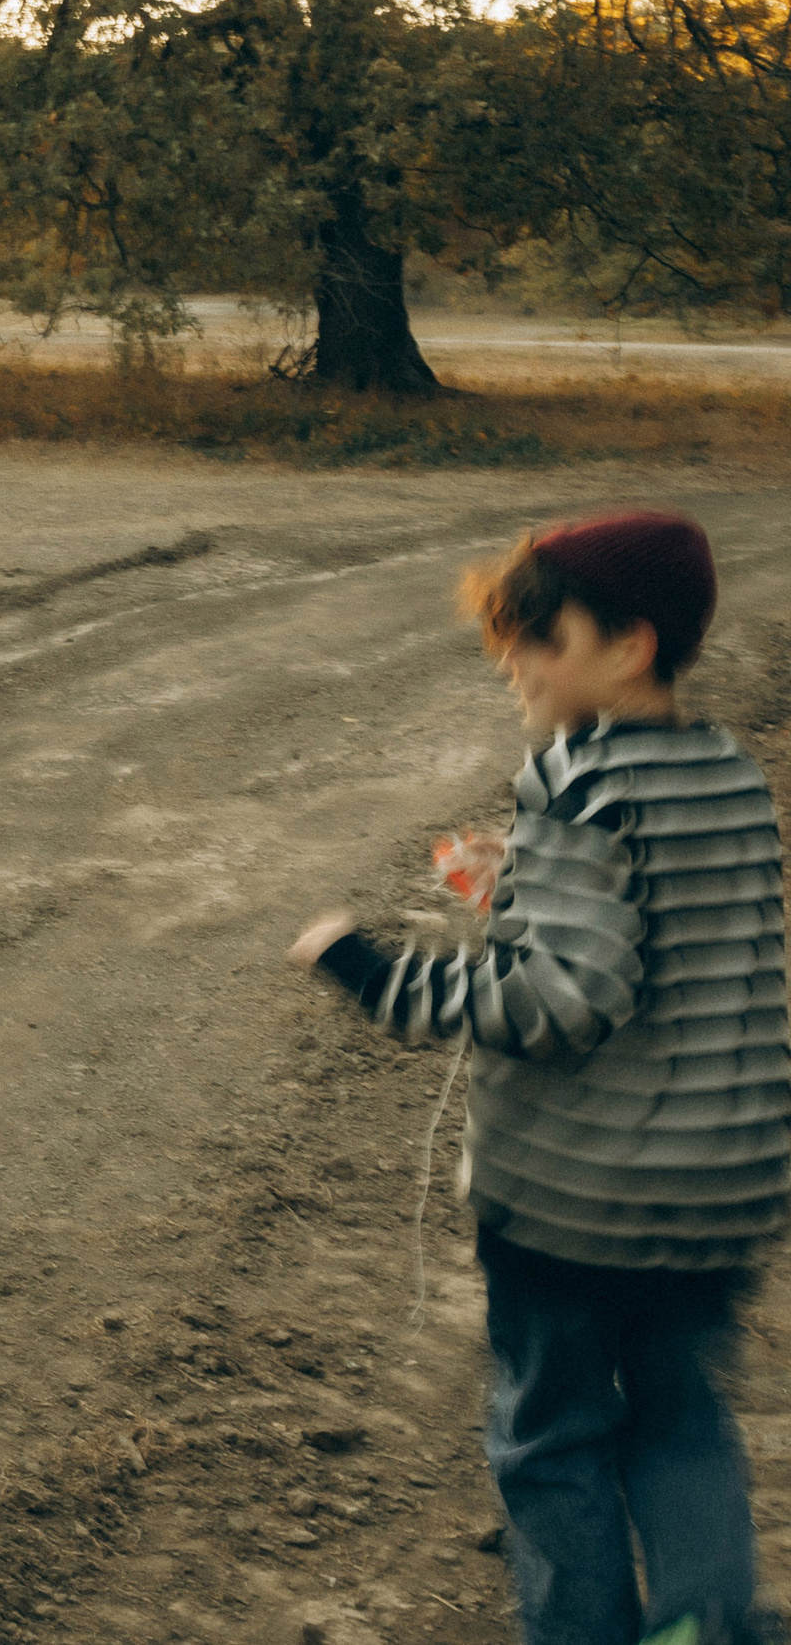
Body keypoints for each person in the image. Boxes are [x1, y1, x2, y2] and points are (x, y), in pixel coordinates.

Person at [289, 510, 790, 1645]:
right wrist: (518, 887)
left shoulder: (573, 781)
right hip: (720, 1192)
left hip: (577, 1204)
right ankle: (707, 1625)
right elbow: (670, 943)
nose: (512, 662)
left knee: (552, 1435)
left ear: (629, 645)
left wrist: (369, 971)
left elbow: (562, 1004)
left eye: (538, 637)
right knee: (677, 1420)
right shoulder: (726, 774)